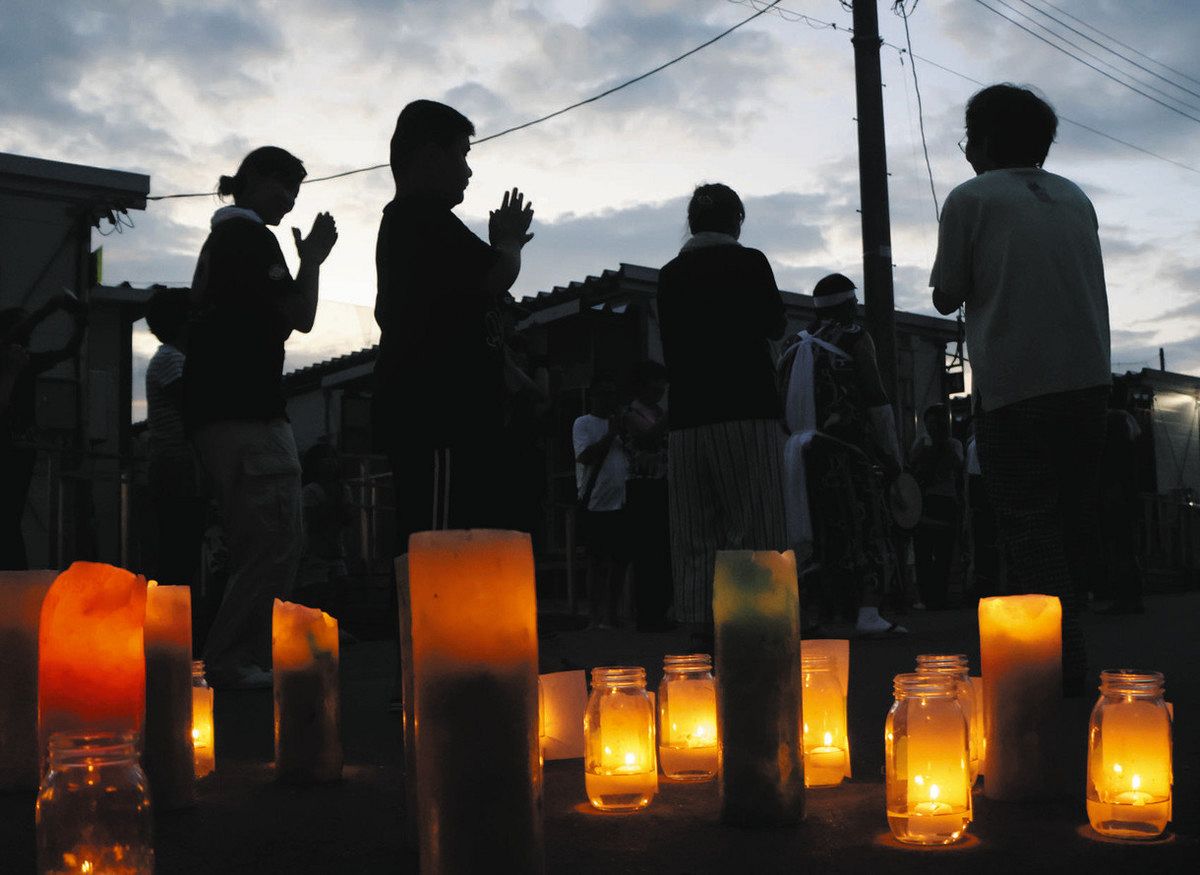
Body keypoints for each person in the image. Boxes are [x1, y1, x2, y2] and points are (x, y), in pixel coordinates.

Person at [931, 83, 1111, 695]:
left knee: (1029, 527)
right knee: (1072, 523)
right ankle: (1065, 654)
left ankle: (1051, 672)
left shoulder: (971, 197)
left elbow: (946, 293)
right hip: (1089, 383)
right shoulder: (1075, 196)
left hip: (1015, 386)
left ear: (981, 141)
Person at [184, 146, 338, 689]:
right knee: (274, 539)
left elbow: (287, 321)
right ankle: (232, 660)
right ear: (252, 182)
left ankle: (235, 656)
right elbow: (301, 316)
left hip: (219, 416)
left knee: (258, 540)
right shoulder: (248, 238)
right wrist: (313, 261)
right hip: (248, 413)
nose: (290, 201)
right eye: (283, 187)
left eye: (295, 192)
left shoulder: (220, 244)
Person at [372, 99, 534, 546]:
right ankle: (424, 618)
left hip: (447, 416)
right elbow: (497, 274)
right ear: (428, 157)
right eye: (461, 154)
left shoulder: (422, 222)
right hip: (438, 416)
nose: (467, 170)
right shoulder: (421, 219)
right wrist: (509, 242)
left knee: (449, 539)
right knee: (437, 544)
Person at [657, 183, 789, 634]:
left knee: (693, 536)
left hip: (687, 416)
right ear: (737, 221)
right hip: (747, 406)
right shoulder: (750, 262)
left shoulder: (670, 274)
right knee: (754, 530)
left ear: (692, 224)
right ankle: (753, 632)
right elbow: (775, 324)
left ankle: (697, 645)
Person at [779, 273, 907, 636]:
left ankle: (814, 615)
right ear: (850, 303)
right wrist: (892, 453)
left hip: (795, 453)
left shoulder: (791, 344)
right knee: (864, 525)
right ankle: (867, 611)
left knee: (812, 530)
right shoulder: (854, 337)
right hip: (844, 450)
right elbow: (876, 397)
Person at [0, 292, 88, 569]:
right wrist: (51, 309)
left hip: (19, 446)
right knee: (9, 518)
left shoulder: (24, 360)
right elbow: (20, 335)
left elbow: (68, 352)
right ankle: (15, 575)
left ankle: (14, 575)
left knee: (10, 517)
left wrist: (78, 324)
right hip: (14, 445)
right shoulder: (10, 357)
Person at [144, 287, 204, 598]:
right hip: (175, 465)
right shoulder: (170, 358)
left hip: (175, 464)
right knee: (177, 550)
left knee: (179, 550)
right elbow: (194, 404)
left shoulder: (173, 357)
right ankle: (169, 624)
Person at [573, 374, 631, 629]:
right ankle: (594, 616)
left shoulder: (619, 425)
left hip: (620, 502)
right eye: (604, 394)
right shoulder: (583, 423)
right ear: (594, 397)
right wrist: (611, 434)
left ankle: (612, 614)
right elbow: (584, 456)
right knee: (596, 561)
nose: (609, 400)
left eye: (612, 394)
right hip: (596, 502)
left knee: (618, 561)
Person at [622, 361, 674, 631]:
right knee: (646, 552)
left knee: (663, 551)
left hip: (662, 484)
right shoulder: (630, 413)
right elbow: (648, 437)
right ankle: (646, 613)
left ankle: (660, 610)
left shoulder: (658, 411)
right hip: (641, 486)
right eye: (656, 382)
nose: (661, 388)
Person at [908, 403, 964, 610]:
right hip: (927, 501)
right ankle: (928, 595)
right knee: (925, 553)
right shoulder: (921, 443)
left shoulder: (953, 445)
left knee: (943, 553)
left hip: (944, 501)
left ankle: (938, 596)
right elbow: (913, 467)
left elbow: (957, 464)